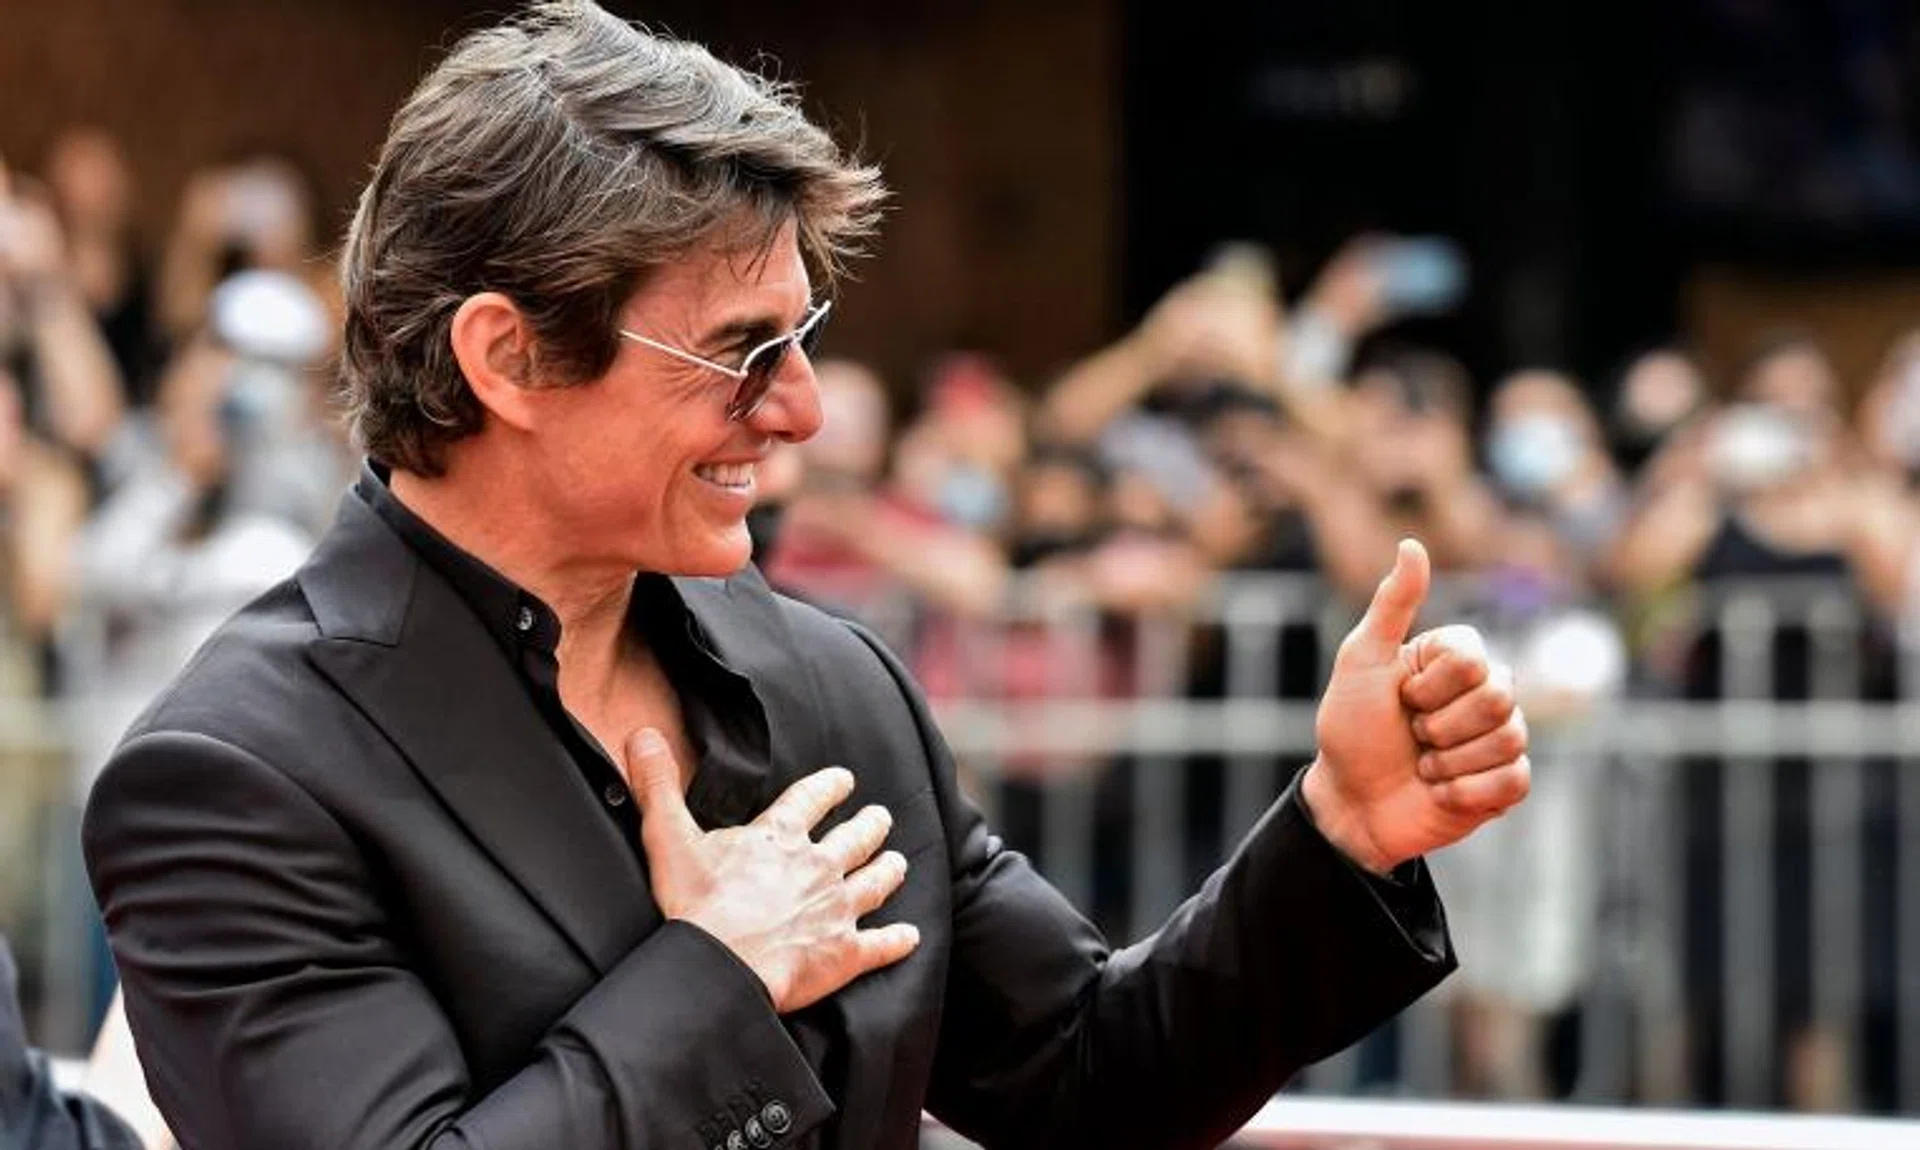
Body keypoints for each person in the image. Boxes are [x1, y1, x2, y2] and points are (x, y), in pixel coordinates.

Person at [82, 5, 1530, 1148]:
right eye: (740, 353)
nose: (805, 410)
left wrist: (1340, 829)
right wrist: (718, 974)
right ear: (505, 358)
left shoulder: (823, 681)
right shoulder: (235, 775)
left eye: (804, 335)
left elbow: (1093, 1082)